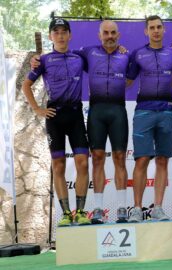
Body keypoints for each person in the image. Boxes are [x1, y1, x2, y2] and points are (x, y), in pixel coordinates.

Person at [31, 20, 131, 224]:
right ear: (99, 35)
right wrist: (36, 61)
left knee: (105, 159)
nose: (109, 36)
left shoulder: (115, 54)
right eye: (106, 33)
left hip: (101, 111)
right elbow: (31, 79)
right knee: (81, 161)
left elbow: (126, 75)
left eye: (113, 33)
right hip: (76, 113)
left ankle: (106, 209)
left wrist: (120, 53)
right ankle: (82, 211)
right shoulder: (74, 55)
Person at [22, 18, 90, 226]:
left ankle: (80, 212)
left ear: (70, 35)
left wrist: (121, 48)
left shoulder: (79, 57)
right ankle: (66, 214)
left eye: (64, 32)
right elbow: (26, 85)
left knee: (83, 162)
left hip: (76, 114)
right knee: (58, 166)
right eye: (56, 32)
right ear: (51, 36)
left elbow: (102, 57)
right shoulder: (43, 60)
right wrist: (37, 109)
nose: (60, 35)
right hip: (55, 116)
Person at [126, 15, 172, 222]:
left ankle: (157, 208)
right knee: (141, 160)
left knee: (162, 160)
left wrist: (169, 84)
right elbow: (128, 81)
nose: (156, 30)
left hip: (166, 110)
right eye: (152, 28)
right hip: (144, 111)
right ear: (146, 31)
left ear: (164, 30)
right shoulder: (138, 54)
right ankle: (137, 209)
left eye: (159, 27)